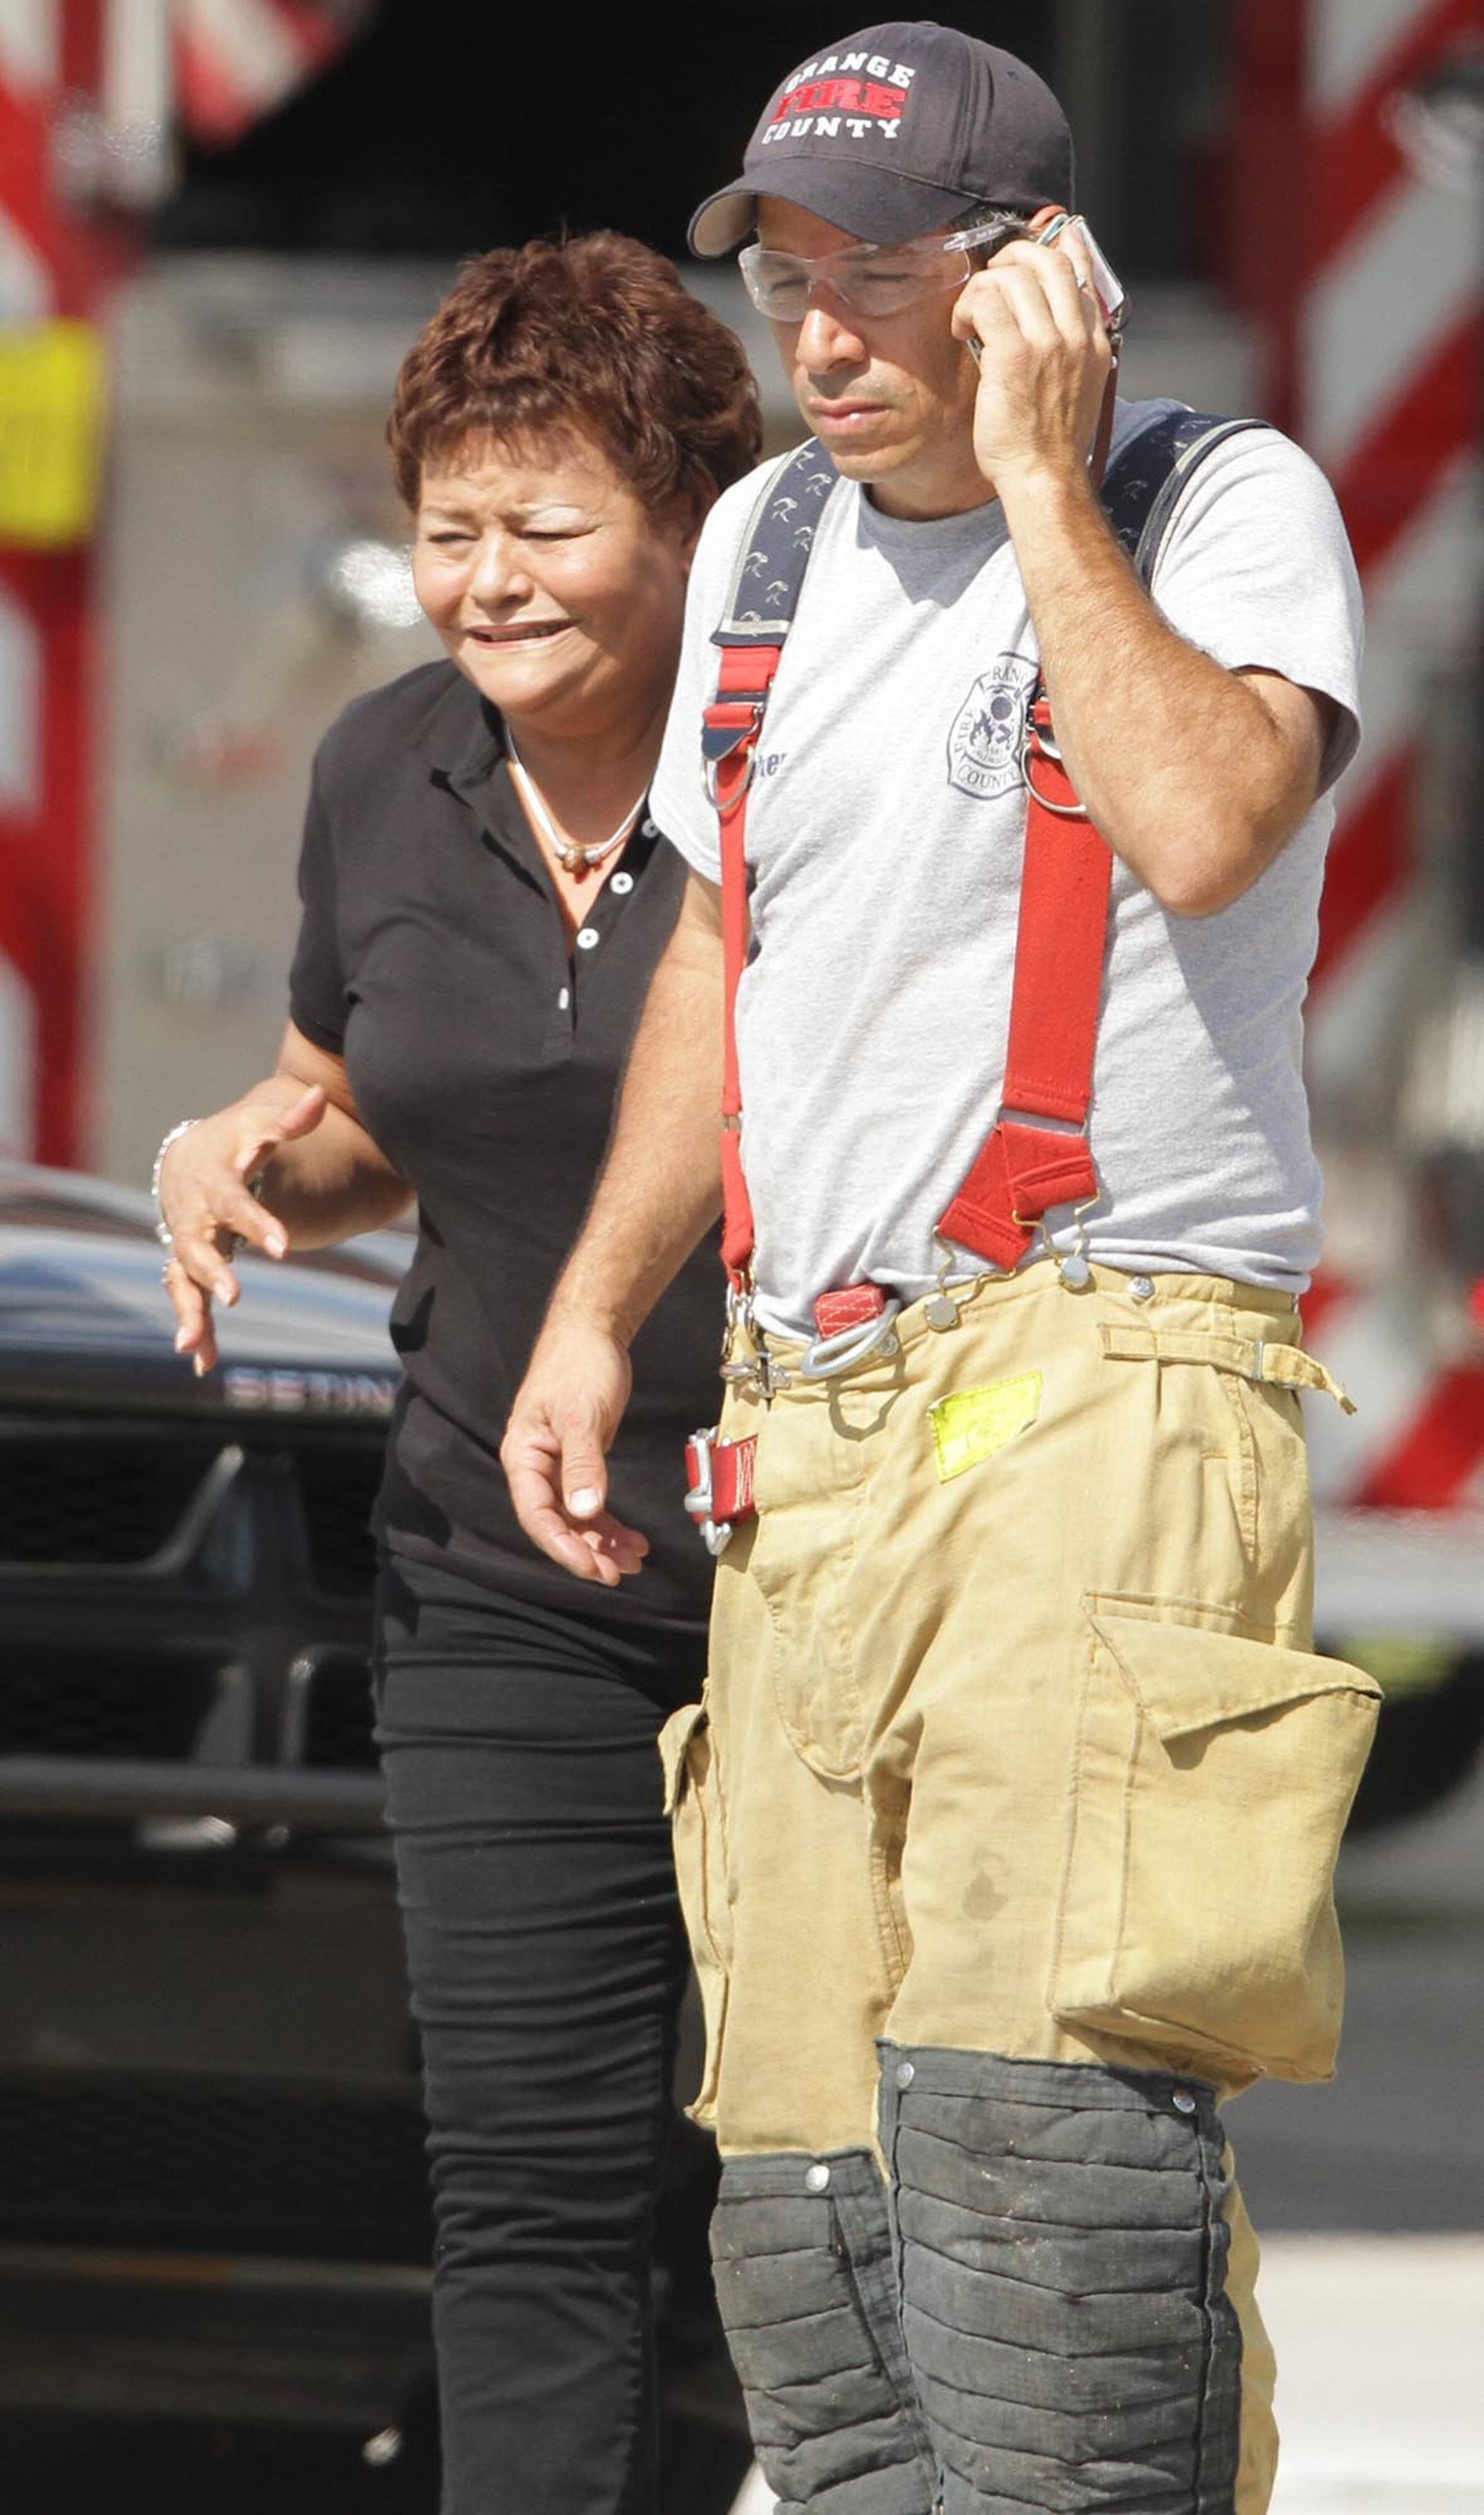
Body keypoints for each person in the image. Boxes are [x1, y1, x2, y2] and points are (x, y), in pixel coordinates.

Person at [501, 27, 1382, 2515]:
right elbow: (722, 965)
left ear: (1031, 283)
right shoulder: (769, 549)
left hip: (1103, 1375)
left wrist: (1033, 477)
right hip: (817, 1423)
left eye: (874, 283)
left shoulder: (1211, 501)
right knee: (809, 2215)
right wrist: (595, 1312)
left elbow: (1210, 821)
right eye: (787, 283)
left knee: (1043, 2171)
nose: (821, 339)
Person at [153, 231, 761, 2515]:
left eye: (548, 525)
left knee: (805, 2189)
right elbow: (365, 1114)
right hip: (496, 1570)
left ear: (694, 526)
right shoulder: (386, 767)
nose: (485, 583)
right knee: (534, 2192)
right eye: (448, 529)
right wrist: (248, 1157)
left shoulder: (815, 760)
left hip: (831, 1563)